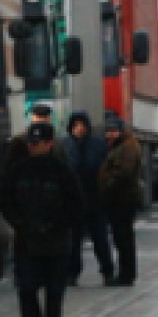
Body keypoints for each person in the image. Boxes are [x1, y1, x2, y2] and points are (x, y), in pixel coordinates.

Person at [0, 121, 85, 317]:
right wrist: (20, 223)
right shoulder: (18, 171)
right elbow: (5, 201)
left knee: (54, 295)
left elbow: (75, 205)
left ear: (49, 144)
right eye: (31, 143)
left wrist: (56, 225)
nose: (33, 147)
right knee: (26, 290)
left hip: (56, 243)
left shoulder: (62, 171)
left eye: (38, 143)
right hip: (27, 242)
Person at [59, 111, 112, 286]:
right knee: (73, 241)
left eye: (82, 125)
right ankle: (71, 273)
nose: (79, 129)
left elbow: (106, 169)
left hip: (95, 199)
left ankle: (107, 271)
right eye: (76, 126)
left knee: (100, 239)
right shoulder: (65, 146)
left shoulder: (97, 145)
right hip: (73, 201)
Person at [96, 117, 143, 287]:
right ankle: (125, 273)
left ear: (121, 131)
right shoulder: (118, 146)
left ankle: (127, 274)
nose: (111, 134)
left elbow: (123, 173)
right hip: (119, 199)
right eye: (108, 131)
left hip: (123, 199)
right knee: (121, 237)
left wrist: (107, 186)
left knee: (123, 238)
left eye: (114, 131)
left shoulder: (127, 147)